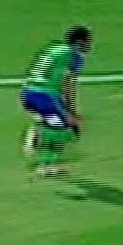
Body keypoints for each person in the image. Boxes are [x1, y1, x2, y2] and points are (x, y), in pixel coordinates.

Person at [21, 25, 91, 177]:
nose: (89, 45)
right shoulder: (74, 56)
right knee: (61, 130)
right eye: (88, 41)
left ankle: (39, 134)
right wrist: (71, 111)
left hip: (28, 94)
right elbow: (68, 83)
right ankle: (45, 165)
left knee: (56, 125)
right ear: (80, 42)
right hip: (45, 97)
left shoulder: (54, 49)